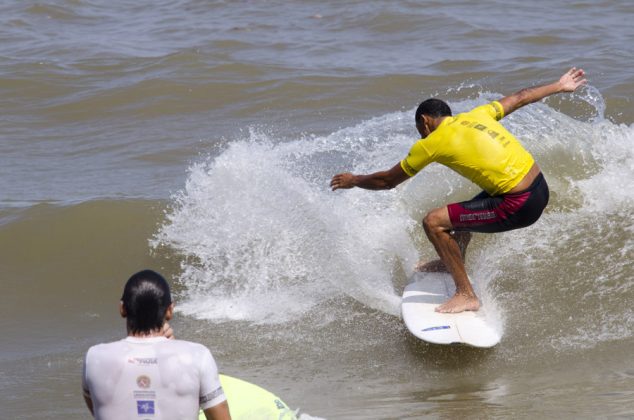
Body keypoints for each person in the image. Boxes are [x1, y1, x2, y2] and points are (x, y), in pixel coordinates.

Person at [331, 68, 587, 313]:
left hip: (519, 203)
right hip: (539, 187)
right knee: (459, 216)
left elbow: (387, 181)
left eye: (421, 131)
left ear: (425, 121)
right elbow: (520, 97)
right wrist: (560, 86)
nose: (421, 137)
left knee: (433, 222)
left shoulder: (431, 142)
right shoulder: (478, 115)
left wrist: (354, 180)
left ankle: (466, 295)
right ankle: (449, 262)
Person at [82, 269, 231, 420]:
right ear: (170, 310)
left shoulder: (94, 358)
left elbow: (103, 411)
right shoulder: (197, 355)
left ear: (122, 308)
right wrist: (173, 347)